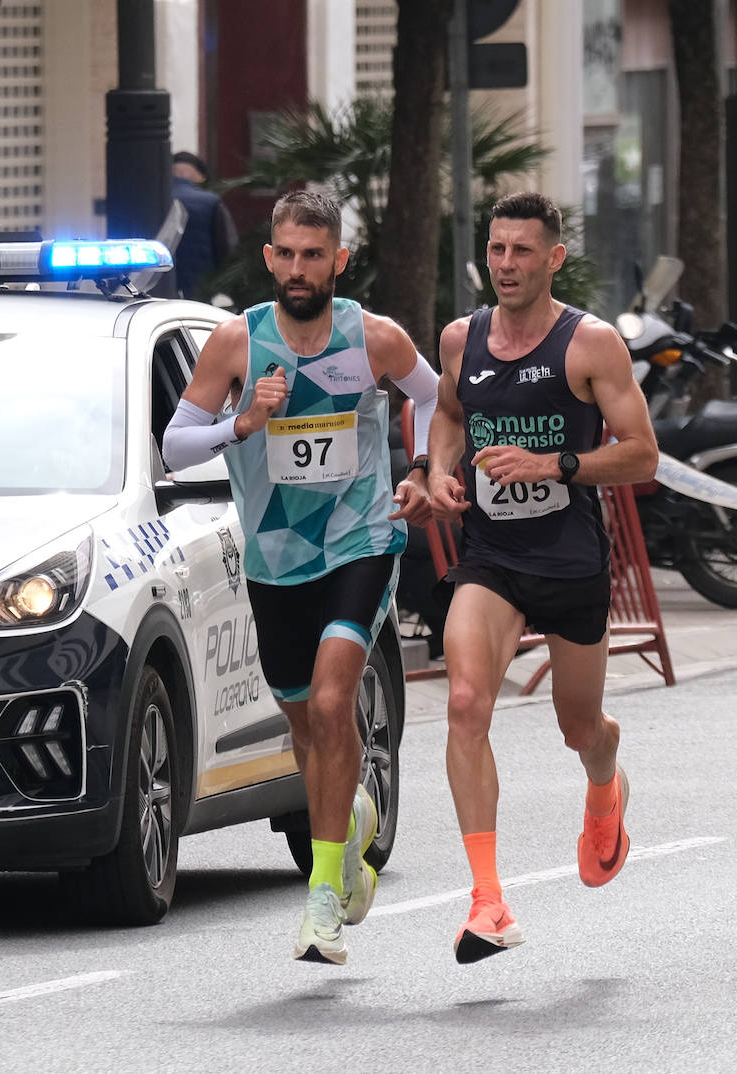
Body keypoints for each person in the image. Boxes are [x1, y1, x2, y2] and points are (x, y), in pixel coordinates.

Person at [162, 190, 438, 964]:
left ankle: (320, 900)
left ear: (338, 262)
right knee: (304, 725)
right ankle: (344, 821)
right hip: (274, 561)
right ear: (269, 257)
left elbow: (434, 398)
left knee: (331, 698)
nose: (297, 268)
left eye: (314, 255)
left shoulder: (373, 338)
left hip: (360, 541)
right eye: (285, 253)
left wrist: (418, 469)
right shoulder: (235, 344)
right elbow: (176, 446)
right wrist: (242, 423)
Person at [425, 191, 659, 964]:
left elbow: (642, 454)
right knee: (464, 703)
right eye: (496, 249)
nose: (506, 264)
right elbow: (452, 414)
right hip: (491, 560)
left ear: (553, 258)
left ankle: (604, 778)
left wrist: (555, 463)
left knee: (578, 727)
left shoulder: (589, 345)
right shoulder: (463, 338)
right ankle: (488, 902)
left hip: (570, 561)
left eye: (522, 251)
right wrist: (439, 474)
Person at [170, 151, 239, 299]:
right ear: (200, 177)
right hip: (199, 289)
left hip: (159, 290)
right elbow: (228, 247)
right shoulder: (211, 201)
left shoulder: (153, 198)